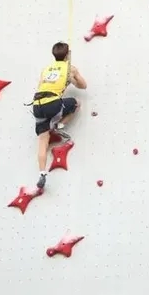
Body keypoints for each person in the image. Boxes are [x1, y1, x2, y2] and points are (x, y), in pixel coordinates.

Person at [31, 41, 87, 189]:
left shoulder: (46, 69)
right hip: (52, 103)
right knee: (76, 103)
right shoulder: (70, 68)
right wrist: (72, 80)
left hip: (37, 104)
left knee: (43, 140)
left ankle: (42, 173)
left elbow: (41, 86)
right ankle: (59, 125)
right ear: (68, 55)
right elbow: (83, 85)